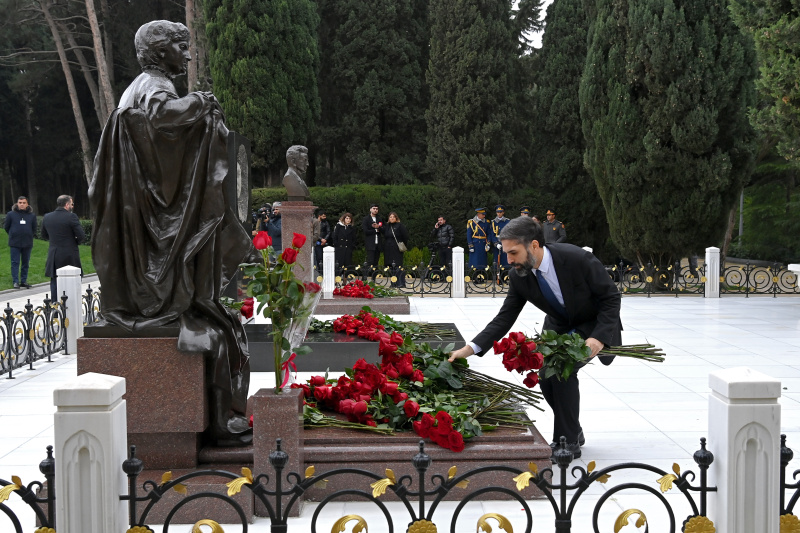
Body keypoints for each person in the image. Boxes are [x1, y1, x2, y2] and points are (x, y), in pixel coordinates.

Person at [89, 20, 253, 444]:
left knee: (214, 320)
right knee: (215, 324)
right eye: (182, 46)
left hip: (141, 220)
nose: (189, 55)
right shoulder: (155, 86)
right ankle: (216, 420)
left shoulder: (137, 87)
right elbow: (164, 118)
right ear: (161, 51)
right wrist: (201, 102)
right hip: (150, 224)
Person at [448, 217, 622, 460]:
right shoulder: (519, 275)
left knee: (561, 371)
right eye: (506, 253)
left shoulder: (576, 258)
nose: (509, 260)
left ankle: (567, 442)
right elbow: (504, 317)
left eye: (513, 253)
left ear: (534, 245)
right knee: (545, 378)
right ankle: (574, 429)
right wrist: (469, 348)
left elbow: (611, 297)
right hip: (559, 328)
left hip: (592, 325)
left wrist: (598, 338)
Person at [41, 195, 85, 299]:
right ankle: (71, 304)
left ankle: (55, 305)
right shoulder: (71, 216)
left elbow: (44, 235)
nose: (72, 206)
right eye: (72, 204)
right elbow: (81, 236)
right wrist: (74, 242)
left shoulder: (47, 217)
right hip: (69, 254)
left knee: (55, 280)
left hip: (54, 253)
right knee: (73, 279)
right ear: (67, 204)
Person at [4, 196, 37, 289]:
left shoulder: (32, 216)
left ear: (27, 204)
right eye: (20, 203)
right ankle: (15, 281)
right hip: (15, 242)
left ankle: (23, 281)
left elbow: (34, 228)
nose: (22, 204)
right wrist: (13, 234)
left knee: (25, 263)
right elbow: (6, 227)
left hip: (27, 242)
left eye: (24, 203)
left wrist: (28, 234)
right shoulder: (11, 214)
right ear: (17, 203)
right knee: (15, 262)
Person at [384, 211, 410, 287]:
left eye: (393, 217)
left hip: (396, 248)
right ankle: (393, 282)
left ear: (396, 218)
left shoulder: (400, 226)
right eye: (390, 217)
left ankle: (401, 282)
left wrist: (402, 244)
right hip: (388, 248)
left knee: (398, 265)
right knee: (391, 266)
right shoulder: (387, 226)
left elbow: (405, 236)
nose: (392, 218)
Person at [362, 203, 384, 268]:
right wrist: (375, 230)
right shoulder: (366, 219)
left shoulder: (379, 219)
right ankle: (367, 273)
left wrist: (378, 227)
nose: (375, 210)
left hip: (378, 244)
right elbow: (365, 231)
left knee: (376, 262)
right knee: (370, 261)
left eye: (376, 209)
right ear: (370, 209)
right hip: (370, 244)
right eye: (374, 208)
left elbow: (383, 230)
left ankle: (375, 274)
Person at [312, 209, 330, 274]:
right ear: (319, 216)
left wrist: (325, 239)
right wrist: (321, 239)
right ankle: (318, 272)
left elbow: (328, 232)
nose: (325, 217)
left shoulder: (326, 223)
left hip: (324, 243)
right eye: (323, 216)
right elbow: (314, 233)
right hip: (317, 242)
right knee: (318, 257)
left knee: (324, 258)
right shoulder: (315, 222)